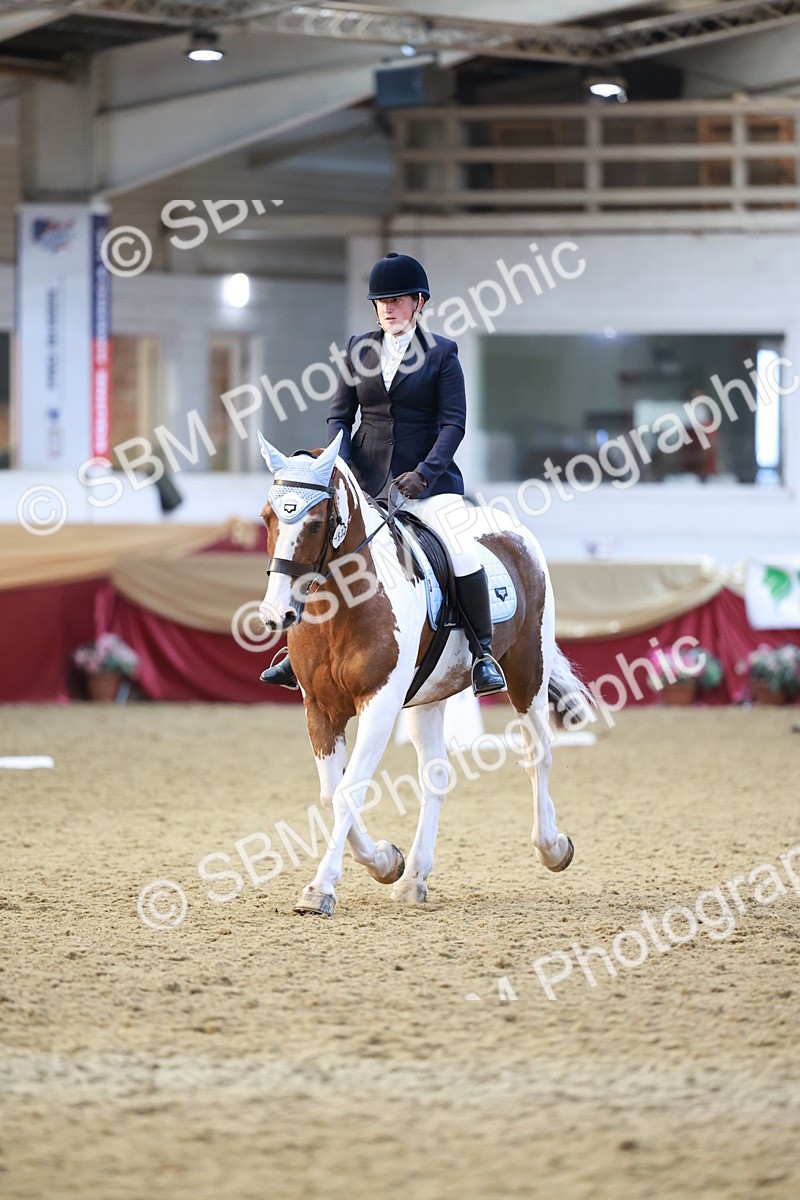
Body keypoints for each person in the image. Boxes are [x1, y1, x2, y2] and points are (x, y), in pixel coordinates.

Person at [260, 251, 506, 697]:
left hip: (429, 486)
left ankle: (482, 651)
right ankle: (297, 655)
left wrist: (424, 475)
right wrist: (348, 467)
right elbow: (339, 417)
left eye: (397, 299)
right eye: (381, 301)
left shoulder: (442, 354)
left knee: (461, 550)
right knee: (322, 550)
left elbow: (455, 424)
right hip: (366, 482)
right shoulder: (358, 349)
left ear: (418, 302)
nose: (388, 308)